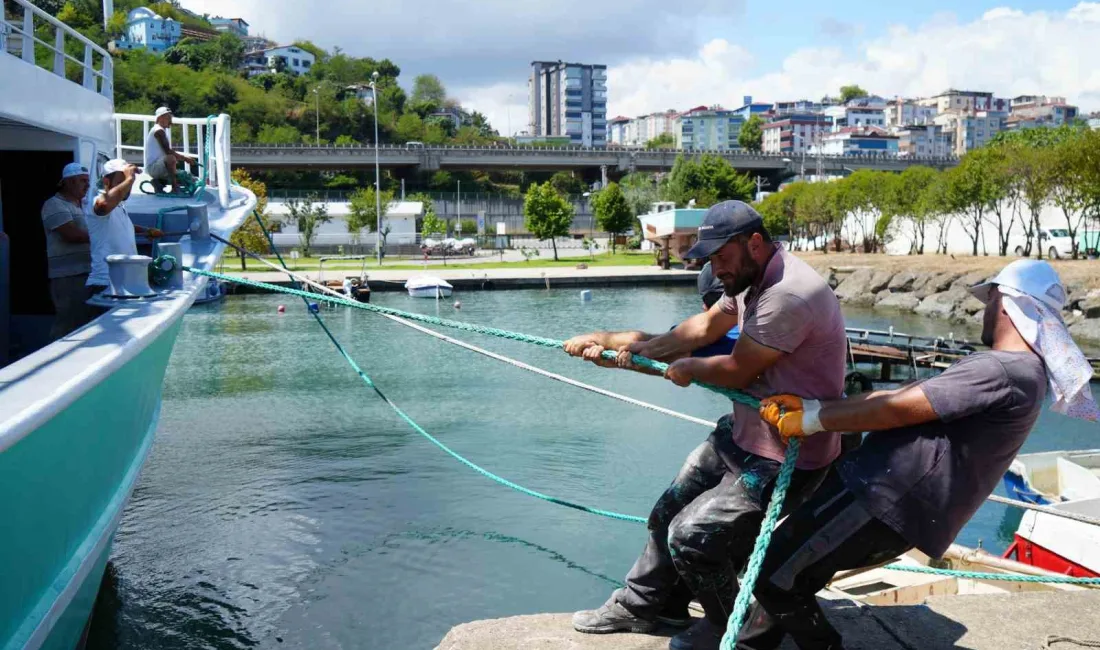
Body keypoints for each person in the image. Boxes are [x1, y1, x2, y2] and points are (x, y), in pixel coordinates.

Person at [737, 259, 1100, 650]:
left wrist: (813, 418)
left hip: (881, 499)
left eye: (990, 298)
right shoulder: (1019, 372)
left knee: (772, 573)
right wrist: (816, 405)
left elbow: (897, 409)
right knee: (794, 574)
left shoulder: (1005, 370)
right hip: (883, 499)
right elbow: (899, 399)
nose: (986, 309)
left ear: (1009, 303)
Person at [568, 201, 849, 650]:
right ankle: (647, 605)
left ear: (754, 243)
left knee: (692, 536)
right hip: (744, 434)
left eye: (721, 257)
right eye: (711, 259)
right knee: (666, 512)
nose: (715, 269)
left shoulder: (787, 294)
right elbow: (701, 327)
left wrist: (686, 368)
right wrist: (638, 352)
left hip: (786, 454)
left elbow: (738, 369)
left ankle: (732, 626)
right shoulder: (748, 278)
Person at [86, 159, 162, 295]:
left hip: (125, 284)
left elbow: (122, 226)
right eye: (122, 181)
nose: (128, 186)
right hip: (105, 284)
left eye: (128, 181)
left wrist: (146, 230)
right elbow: (103, 206)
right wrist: (130, 178)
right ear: (106, 183)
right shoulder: (96, 201)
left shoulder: (119, 206)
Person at [41, 163, 97, 337]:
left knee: (84, 324)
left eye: (87, 181)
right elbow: (72, 235)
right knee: (67, 325)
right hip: (68, 277)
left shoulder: (82, 206)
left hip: (86, 274)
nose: (87, 185)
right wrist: (104, 237)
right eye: (82, 181)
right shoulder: (54, 204)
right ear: (68, 182)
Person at [144, 107, 197, 194]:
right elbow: (168, 151)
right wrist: (186, 159)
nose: (171, 121)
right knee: (170, 158)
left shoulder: (161, 130)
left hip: (159, 166)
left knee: (189, 178)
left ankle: (158, 183)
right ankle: (174, 188)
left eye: (170, 118)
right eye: (168, 118)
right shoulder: (158, 131)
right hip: (153, 168)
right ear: (160, 118)